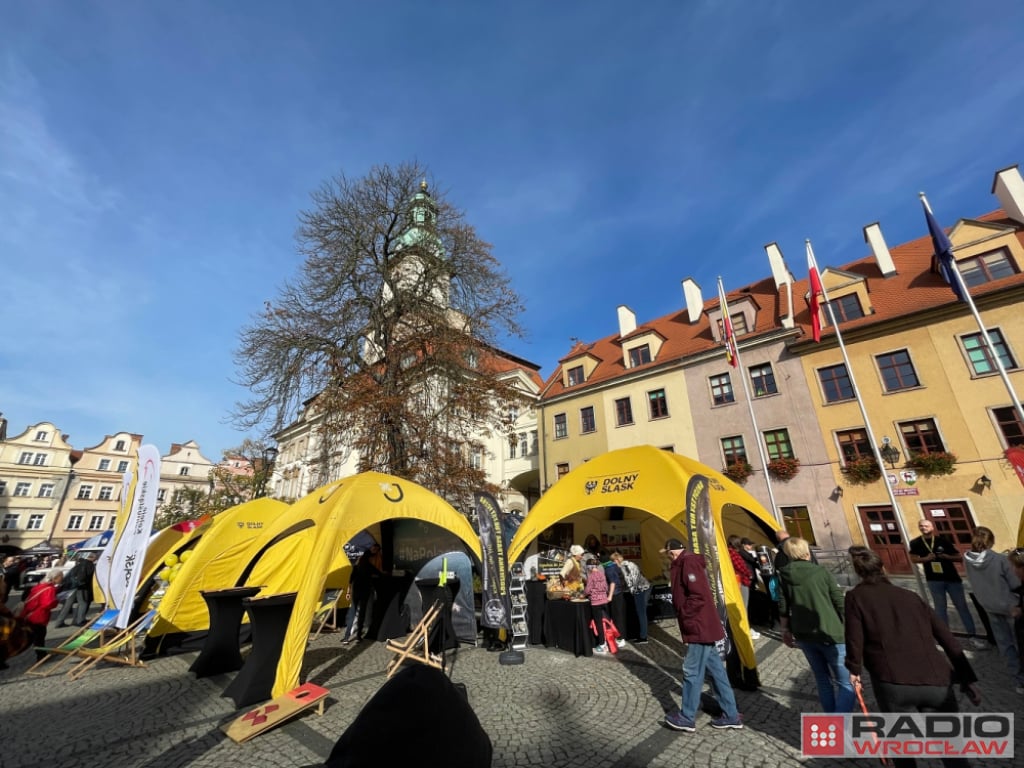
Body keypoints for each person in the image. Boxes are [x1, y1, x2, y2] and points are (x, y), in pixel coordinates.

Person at [845, 546, 981, 768]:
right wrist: (967, 678)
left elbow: (854, 639)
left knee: (902, 750)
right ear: (884, 568)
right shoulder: (911, 596)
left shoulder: (856, 597)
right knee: (952, 749)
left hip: (893, 682)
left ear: (858, 572)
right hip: (936, 678)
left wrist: (854, 671)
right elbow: (946, 638)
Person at [662, 538, 743, 732]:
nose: (668, 556)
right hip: (701, 624)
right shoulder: (685, 561)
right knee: (716, 672)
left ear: (671, 551)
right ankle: (731, 714)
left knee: (692, 670)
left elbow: (697, 594)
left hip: (698, 625)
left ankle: (687, 716)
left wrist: (686, 614)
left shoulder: (687, 562)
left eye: (668, 553)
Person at [776, 537, 854, 713]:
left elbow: (783, 605)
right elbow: (839, 601)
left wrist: (785, 630)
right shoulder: (821, 572)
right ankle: (838, 726)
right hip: (830, 631)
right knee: (846, 683)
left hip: (803, 633)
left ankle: (831, 722)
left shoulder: (784, 575)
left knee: (822, 680)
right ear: (806, 552)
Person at [908, 518, 987, 649]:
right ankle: (945, 637)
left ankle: (973, 636)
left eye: (926, 526)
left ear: (932, 527)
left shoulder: (942, 541)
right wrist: (925, 559)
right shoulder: (916, 542)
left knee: (962, 607)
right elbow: (913, 558)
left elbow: (958, 557)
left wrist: (946, 557)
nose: (923, 528)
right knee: (940, 609)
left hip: (952, 579)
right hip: (934, 580)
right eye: (921, 526)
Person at [963, 527, 1023, 692]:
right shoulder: (1000, 559)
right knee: (1020, 642)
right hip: (1011, 605)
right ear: (991, 540)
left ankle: (1018, 681)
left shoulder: (967, 559)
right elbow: (1015, 583)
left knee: (1005, 645)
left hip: (989, 605)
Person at [18, 569, 62, 660]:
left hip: (30, 614)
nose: (62, 579)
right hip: (39, 615)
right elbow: (47, 604)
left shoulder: (39, 586)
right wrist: (56, 601)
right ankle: (41, 656)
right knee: (39, 637)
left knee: (36, 636)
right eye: (61, 577)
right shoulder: (49, 589)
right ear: (55, 578)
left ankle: (41, 654)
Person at [343, 544, 382, 644]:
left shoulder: (358, 565)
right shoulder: (370, 565)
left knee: (353, 612)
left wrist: (348, 592)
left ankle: (347, 637)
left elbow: (351, 579)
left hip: (356, 590)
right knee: (362, 613)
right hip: (365, 590)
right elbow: (379, 574)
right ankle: (358, 636)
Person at [611, 549, 651, 643]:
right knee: (641, 613)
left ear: (617, 560)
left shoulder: (625, 567)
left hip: (641, 589)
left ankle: (643, 637)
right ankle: (642, 634)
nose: (612, 564)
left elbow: (631, 582)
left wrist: (625, 590)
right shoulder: (628, 564)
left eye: (613, 561)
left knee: (641, 613)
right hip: (641, 588)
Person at [727, 535, 760, 640]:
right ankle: (745, 629)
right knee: (743, 606)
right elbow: (741, 567)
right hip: (741, 582)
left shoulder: (728, 552)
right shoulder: (733, 553)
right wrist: (749, 575)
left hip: (736, 582)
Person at [52, 553, 96, 627]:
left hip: (72, 587)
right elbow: (86, 577)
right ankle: (80, 620)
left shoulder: (79, 564)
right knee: (83, 603)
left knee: (68, 604)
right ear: (92, 558)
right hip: (82, 587)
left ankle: (59, 622)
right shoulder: (89, 565)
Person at [599, 548, 627, 649]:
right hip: (618, 594)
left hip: (615, 595)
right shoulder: (613, 565)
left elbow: (613, 582)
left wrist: (609, 596)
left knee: (617, 617)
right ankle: (620, 637)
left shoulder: (609, 568)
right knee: (618, 616)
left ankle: (621, 639)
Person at [583, 560, 612, 654]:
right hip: (604, 601)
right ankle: (608, 643)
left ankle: (602, 645)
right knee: (606, 622)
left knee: (599, 624)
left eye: (587, 567)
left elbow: (587, 590)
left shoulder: (591, 576)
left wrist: (583, 594)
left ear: (590, 567)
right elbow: (606, 588)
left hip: (596, 602)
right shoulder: (601, 574)